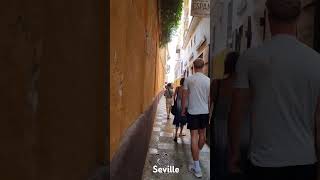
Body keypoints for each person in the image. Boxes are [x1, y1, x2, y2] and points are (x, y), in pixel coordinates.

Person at [228, 0, 320, 179]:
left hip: (263, 162)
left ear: (268, 17)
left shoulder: (250, 58)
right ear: (299, 16)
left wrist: (234, 155)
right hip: (305, 162)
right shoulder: (316, 61)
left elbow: (236, 112)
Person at [210, 52, 242, 179]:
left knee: (219, 163)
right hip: (241, 130)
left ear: (226, 66)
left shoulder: (217, 84)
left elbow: (209, 106)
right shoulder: (248, 86)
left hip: (219, 128)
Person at [181, 58, 210, 178]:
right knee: (202, 135)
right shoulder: (208, 80)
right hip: (204, 111)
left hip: (193, 111)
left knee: (194, 136)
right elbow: (209, 98)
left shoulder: (188, 79)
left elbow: (184, 97)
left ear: (193, 67)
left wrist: (183, 110)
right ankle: (197, 153)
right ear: (203, 67)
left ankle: (196, 167)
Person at [173, 78, 187, 142]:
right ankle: (180, 133)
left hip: (178, 104)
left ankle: (176, 134)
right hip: (184, 104)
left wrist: (175, 102)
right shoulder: (186, 89)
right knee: (183, 119)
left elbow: (174, 96)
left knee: (177, 119)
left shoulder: (177, 88)